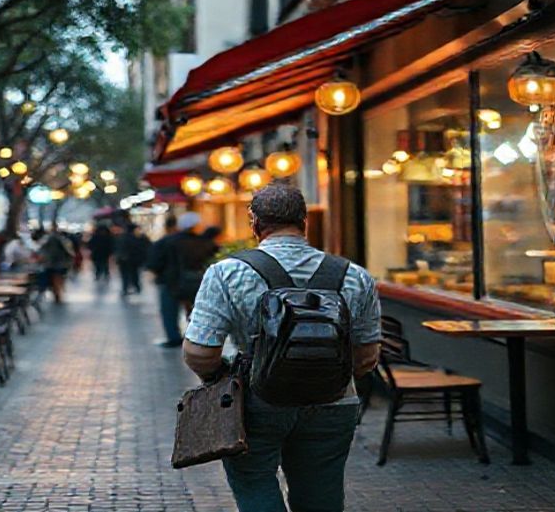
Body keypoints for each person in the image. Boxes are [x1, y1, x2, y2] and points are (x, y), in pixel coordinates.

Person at [182, 182, 381, 512]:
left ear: (255, 224)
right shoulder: (355, 276)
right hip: (333, 401)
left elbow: (199, 353)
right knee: (321, 494)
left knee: (254, 482)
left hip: (257, 401)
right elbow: (366, 357)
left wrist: (223, 375)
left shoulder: (227, 273)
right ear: (305, 222)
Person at [146, 214, 183, 347]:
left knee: (169, 311)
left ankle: (173, 337)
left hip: (168, 281)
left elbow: (154, 263)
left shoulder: (162, 242)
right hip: (190, 280)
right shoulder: (187, 240)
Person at [36, 226, 74, 303]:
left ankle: (57, 294)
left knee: (54, 280)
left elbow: (40, 250)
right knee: (57, 279)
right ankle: (58, 294)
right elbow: (69, 252)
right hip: (60, 263)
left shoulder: (46, 239)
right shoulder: (62, 240)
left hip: (50, 264)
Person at [116, 223, 150, 296]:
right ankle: (136, 287)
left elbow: (119, 249)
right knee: (134, 274)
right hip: (133, 260)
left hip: (124, 260)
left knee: (126, 275)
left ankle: (126, 288)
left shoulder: (123, 237)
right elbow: (144, 248)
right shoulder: (138, 238)